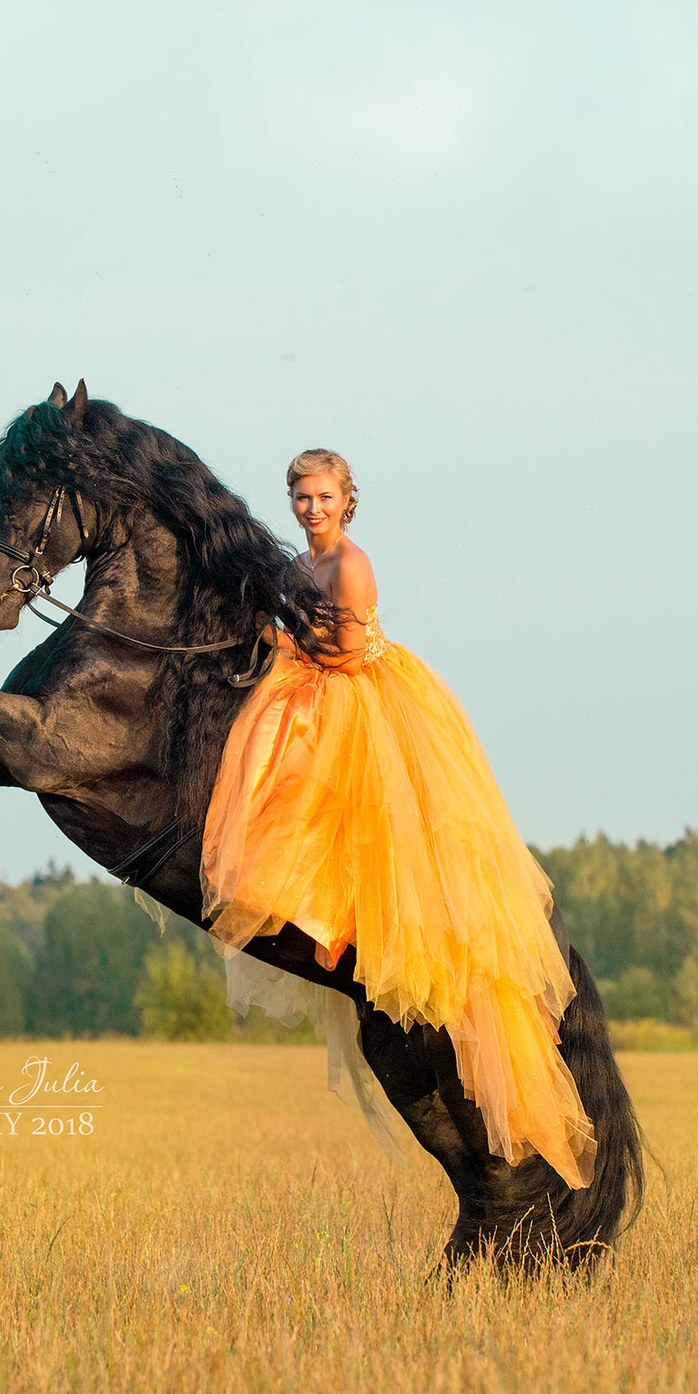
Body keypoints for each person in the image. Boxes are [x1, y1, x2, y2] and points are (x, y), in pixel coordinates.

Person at [200, 449, 598, 1190]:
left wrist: (285, 644)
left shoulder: (351, 565)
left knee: (356, 808)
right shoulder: (298, 566)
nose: (310, 508)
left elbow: (349, 652)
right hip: (314, 681)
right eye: (300, 497)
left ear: (347, 501)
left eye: (323, 497)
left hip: (362, 694)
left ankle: (345, 927)